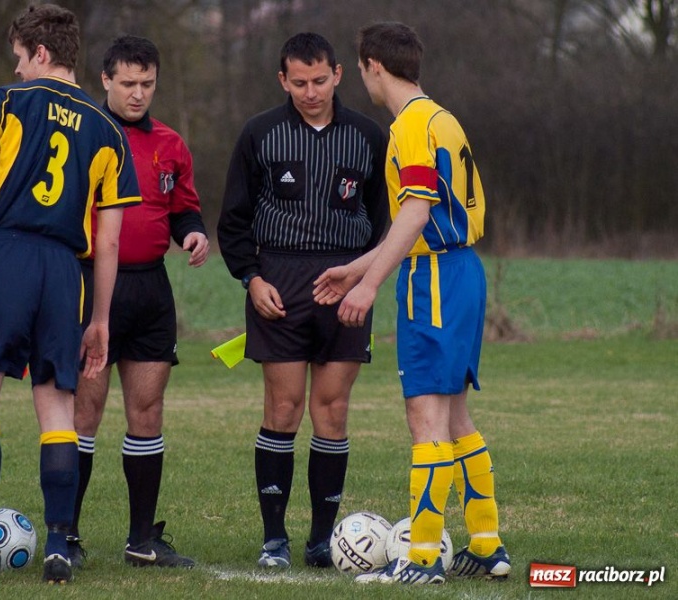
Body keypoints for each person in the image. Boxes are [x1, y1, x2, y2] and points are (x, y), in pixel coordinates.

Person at [0, 3, 139, 584]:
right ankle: (61, 546)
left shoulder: (6, 103)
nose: (14, 69)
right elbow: (111, 243)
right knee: (58, 409)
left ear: (40, 54)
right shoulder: (108, 128)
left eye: (18, 57)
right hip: (68, 269)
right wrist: (102, 320)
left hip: (5, 254)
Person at [313, 21, 511, 585]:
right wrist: (358, 268)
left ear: (374, 65)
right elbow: (418, 219)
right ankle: (487, 545)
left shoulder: (411, 127)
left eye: (363, 70)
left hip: (435, 280)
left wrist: (370, 285)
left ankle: (421, 559)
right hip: (462, 271)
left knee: (425, 419)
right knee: (454, 416)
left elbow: (417, 212)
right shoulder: (441, 117)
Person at [217, 32, 388, 569]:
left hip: (347, 281)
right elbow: (234, 221)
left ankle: (321, 539)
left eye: (320, 81)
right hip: (280, 282)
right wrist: (251, 278)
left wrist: (365, 280)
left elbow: (386, 222)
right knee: (284, 408)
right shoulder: (259, 134)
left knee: (332, 410)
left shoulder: (368, 136)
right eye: (299, 83)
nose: (310, 91)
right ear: (282, 80)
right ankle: (274, 540)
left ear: (338, 74)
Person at [68, 35, 206, 570]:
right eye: (128, 83)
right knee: (85, 411)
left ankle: (141, 539)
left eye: (147, 84)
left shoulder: (170, 143)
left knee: (146, 412)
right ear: (105, 80)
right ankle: (67, 535)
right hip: (90, 286)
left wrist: (193, 233)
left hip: (151, 291)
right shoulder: (83, 133)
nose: (138, 93)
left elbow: (183, 210)